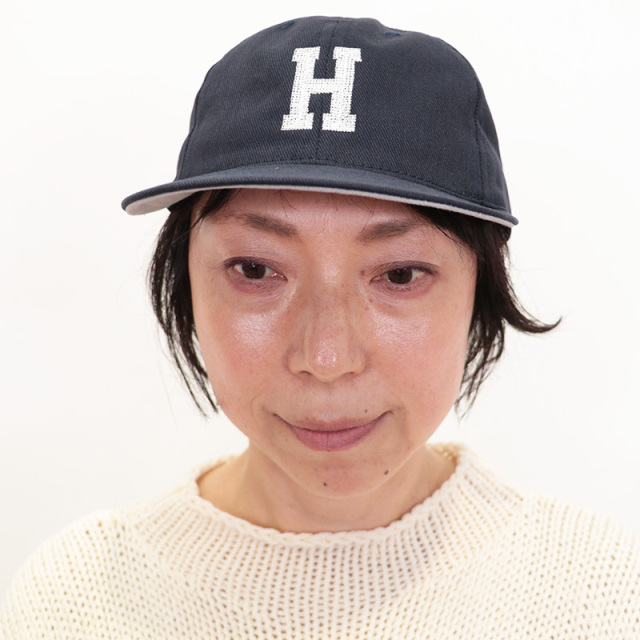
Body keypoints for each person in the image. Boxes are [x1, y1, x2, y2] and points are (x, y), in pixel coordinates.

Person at [1, 15, 638, 639]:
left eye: (399, 275)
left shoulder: (603, 594)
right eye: (255, 270)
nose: (326, 358)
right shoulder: (74, 599)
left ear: (481, 288)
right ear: (185, 281)